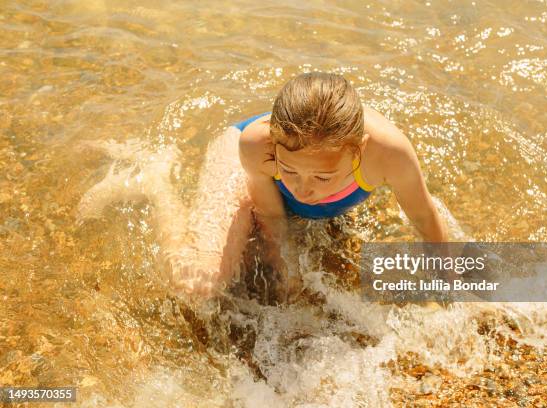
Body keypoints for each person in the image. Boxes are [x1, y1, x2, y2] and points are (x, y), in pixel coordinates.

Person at [77, 72, 448, 300]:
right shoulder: (258, 144)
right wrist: (285, 268)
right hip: (240, 160)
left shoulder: (390, 154)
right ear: (274, 148)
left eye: (322, 178)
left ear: (359, 150)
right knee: (200, 285)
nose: (304, 190)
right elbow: (269, 210)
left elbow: (422, 215)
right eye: (291, 172)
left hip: (299, 157)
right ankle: (155, 180)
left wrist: (448, 278)